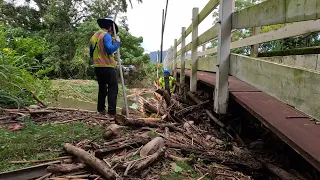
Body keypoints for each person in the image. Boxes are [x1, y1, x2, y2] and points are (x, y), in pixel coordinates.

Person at [89, 17, 120, 116]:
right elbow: (110, 49)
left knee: (102, 88)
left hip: (97, 67)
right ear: (110, 28)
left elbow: (91, 53)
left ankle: (101, 110)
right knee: (113, 87)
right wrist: (117, 42)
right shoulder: (106, 35)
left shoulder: (94, 36)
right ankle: (111, 112)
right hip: (107, 66)